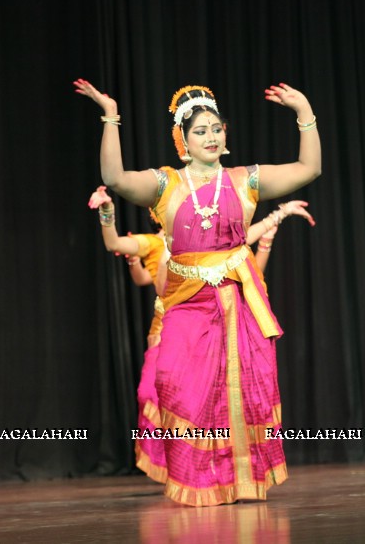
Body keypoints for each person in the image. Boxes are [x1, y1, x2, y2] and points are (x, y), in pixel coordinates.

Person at [75, 78, 321, 506]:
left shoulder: (247, 180)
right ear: (183, 141)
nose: (211, 136)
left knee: (242, 392)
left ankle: (241, 480)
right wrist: (110, 114)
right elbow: (113, 176)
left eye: (216, 128)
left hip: (237, 305)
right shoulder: (165, 184)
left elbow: (309, 169)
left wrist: (304, 113)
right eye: (200, 131)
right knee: (178, 385)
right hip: (188, 305)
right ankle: (199, 479)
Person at [87, 187, 315, 486]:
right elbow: (115, 244)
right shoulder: (154, 244)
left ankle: (216, 472)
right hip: (170, 327)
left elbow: (243, 242)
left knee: (212, 400)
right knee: (154, 393)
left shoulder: (208, 240)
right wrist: (107, 213)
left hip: (210, 327)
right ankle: (177, 463)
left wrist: (278, 215)